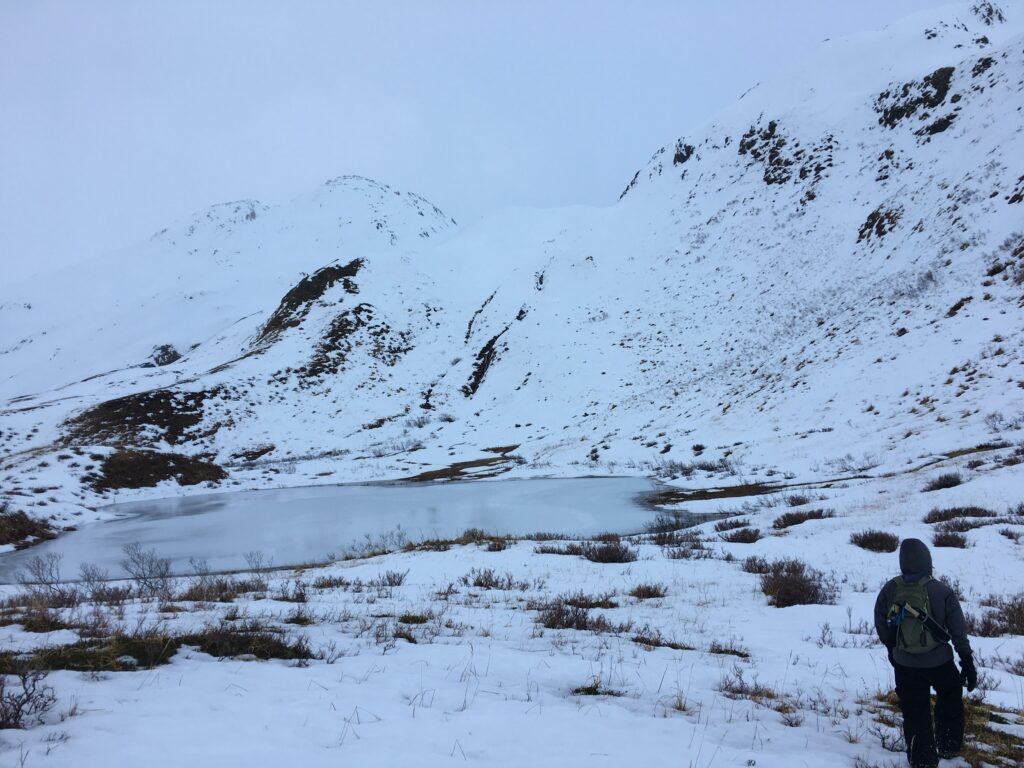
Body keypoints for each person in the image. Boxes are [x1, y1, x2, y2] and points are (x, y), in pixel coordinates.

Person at [874, 538, 977, 768]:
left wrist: (893, 648)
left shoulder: (890, 588)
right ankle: (948, 745)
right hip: (939, 662)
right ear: (927, 560)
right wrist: (967, 661)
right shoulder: (941, 590)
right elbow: (958, 630)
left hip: (905, 664)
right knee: (950, 693)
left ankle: (922, 759)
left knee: (914, 709)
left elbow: (881, 620)